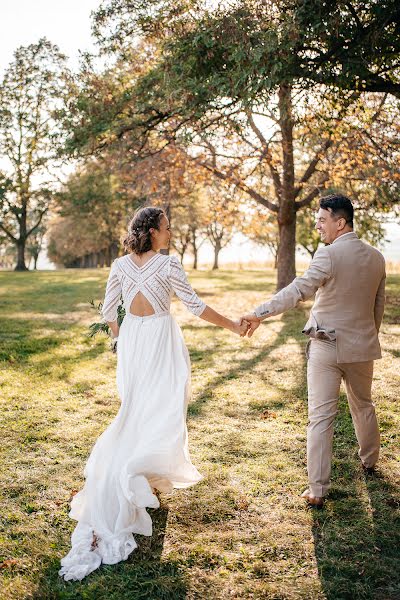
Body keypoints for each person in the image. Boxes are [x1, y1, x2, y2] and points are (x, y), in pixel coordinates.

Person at [59, 206, 249, 581]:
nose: (170, 232)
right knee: (161, 410)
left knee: (137, 410)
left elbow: (109, 310)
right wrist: (232, 325)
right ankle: (137, 474)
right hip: (161, 339)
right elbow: (193, 306)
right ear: (152, 232)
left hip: (133, 342)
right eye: (166, 227)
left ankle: (141, 477)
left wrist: (118, 341)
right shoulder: (169, 264)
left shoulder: (119, 265)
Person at [241, 194, 386, 508]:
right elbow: (378, 306)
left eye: (322, 219)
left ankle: (317, 490)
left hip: (326, 347)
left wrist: (259, 312)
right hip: (362, 347)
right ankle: (370, 461)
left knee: (321, 418)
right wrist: (366, 337)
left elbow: (298, 291)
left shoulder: (329, 254)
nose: (318, 225)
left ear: (340, 221)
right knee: (363, 405)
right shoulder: (376, 257)